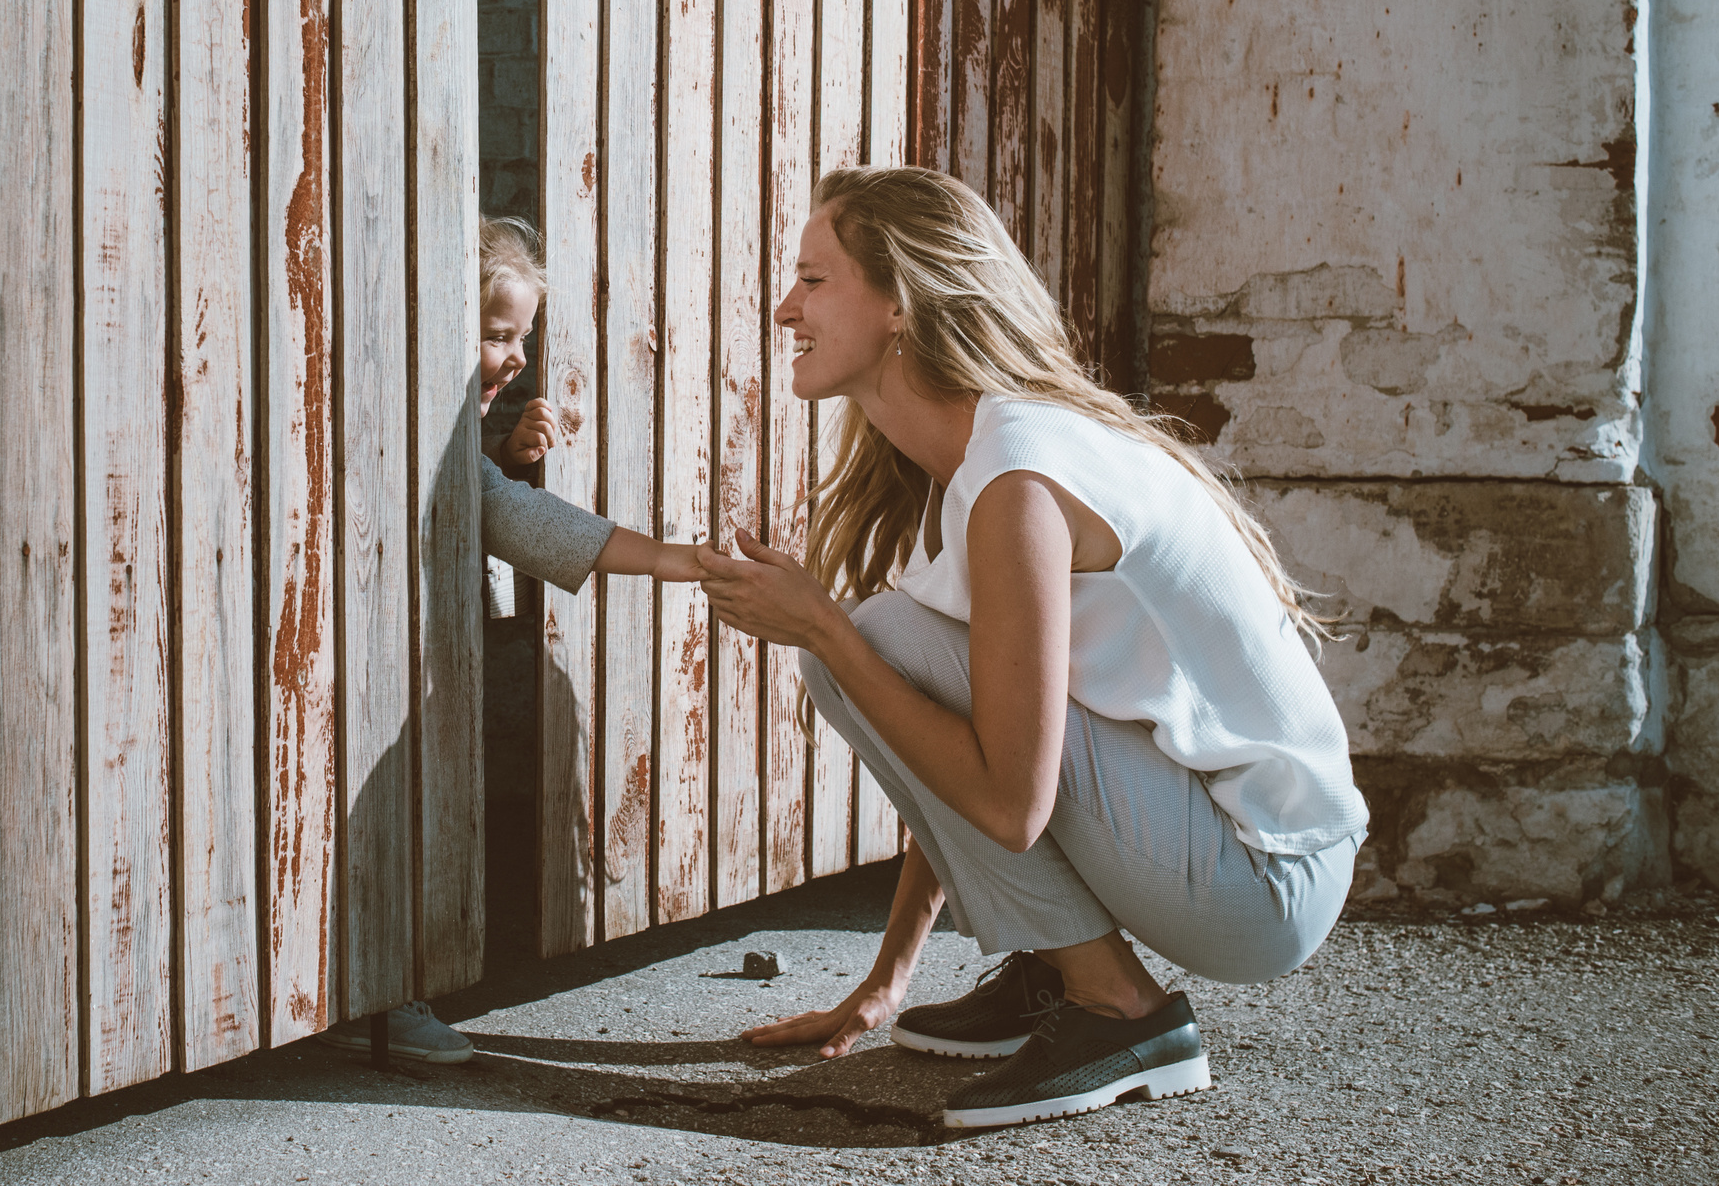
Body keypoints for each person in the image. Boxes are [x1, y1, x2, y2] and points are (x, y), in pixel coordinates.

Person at [699, 167, 1367, 1130]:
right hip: (1223, 845)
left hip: (1263, 878)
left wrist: (825, 628)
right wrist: (887, 980)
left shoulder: (1017, 476)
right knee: (872, 649)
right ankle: (1060, 966)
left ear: (900, 303)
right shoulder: (980, 467)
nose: (782, 306)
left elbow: (1011, 804)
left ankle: (1120, 1009)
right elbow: (969, 729)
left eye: (812, 278)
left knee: (864, 643)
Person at [324, 216, 703, 1064]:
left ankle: (380, 994)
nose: (517, 355)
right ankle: (378, 995)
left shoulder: (451, 431)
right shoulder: (399, 418)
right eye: (496, 334)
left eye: (521, 335)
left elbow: (494, 500)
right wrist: (681, 561)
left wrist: (498, 451)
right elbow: (510, 517)